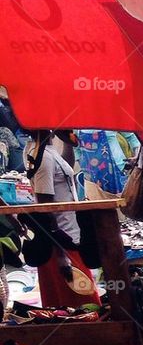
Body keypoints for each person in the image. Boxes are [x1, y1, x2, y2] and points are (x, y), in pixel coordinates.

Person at [26, 130, 101, 310]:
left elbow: (65, 167)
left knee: (79, 305)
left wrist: (67, 140)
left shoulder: (47, 151)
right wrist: (61, 255)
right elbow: (45, 205)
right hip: (61, 242)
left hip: (69, 237)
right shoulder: (42, 157)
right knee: (81, 304)